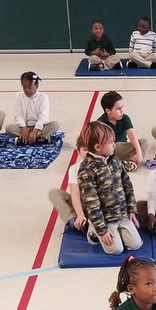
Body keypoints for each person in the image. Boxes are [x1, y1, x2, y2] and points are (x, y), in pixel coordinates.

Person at [77, 120, 142, 254]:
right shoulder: (86, 169)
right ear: (98, 147)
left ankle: (118, 230)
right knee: (116, 250)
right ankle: (93, 230)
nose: (114, 144)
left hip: (122, 215)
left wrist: (131, 210)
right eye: (111, 142)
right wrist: (102, 229)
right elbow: (92, 202)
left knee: (135, 245)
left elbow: (127, 186)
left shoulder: (115, 160)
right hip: (106, 219)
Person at [48, 133, 95, 237]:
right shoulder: (74, 169)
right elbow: (75, 195)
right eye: (85, 150)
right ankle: (75, 222)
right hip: (82, 204)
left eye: (91, 150)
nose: (88, 153)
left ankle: (92, 223)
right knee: (54, 193)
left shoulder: (101, 167)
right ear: (78, 152)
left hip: (97, 207)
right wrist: (80, 215)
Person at [97, 90, 148, 170]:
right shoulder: (101, 123)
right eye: (118, 109)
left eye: (122, 107)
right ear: (108, 111)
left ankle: (131, 161)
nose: (122, 111)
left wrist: (139, 152)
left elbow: (132, 134)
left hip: (123, 147)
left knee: (144, 142)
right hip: (111, 149)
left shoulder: (125, 118)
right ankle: (127, 160)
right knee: (114, 146)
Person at [5, 72, 59, 145]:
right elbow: (18, 115)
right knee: (9, 128)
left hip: (40, 128)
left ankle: (26, 139)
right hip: (25, 127)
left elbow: (43, 117)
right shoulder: (19, 96)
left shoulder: (43, 97)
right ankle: (39, 138)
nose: (27, 90)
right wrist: (24, 128)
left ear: (36, 86)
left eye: (29, 87)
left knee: (55, 125)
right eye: (24, 87)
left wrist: (35, 131)